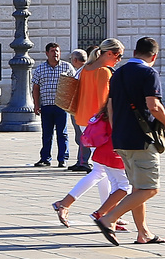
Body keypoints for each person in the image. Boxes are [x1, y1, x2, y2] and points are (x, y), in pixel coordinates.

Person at [95, 36, 165, 245]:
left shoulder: (117, 73)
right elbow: (153, 105)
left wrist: (116, 132)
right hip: (142, 139)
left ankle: (143, 233)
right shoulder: (149, 73)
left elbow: (110, 107)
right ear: (154, 56)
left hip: (120, 138)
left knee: (138, 187)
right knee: (150, 188)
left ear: (135, 52)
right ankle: (108, 218)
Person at [70, 41, 121, 174]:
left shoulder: (86, 69)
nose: (119, 60)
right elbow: (104, 101)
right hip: (97, 122)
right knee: (102, 169)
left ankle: (106, 195)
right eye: (118, 56)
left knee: (100, 168)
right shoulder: (104, 72)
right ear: (109, 53)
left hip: (83, 119)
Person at [30, 41, 75, 167]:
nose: (55, 54)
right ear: (47, 53)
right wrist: (36, 104)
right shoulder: (40, 69)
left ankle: (62, 158)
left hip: (62, 106)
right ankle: (45, 158)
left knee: (62, 133)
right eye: (52, 51)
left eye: (57, 51)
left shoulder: (67, 67)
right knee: (47, 133)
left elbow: (74, 85)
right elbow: (36, 88)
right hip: (46, 105)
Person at [64, 49, 91, 169]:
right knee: (80, 136)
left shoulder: (83, 72)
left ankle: (84, 162)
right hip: (81, 108)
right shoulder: (83, 70)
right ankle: (81, 160)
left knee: (82, 136)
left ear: (75, 60)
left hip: (80, 109)